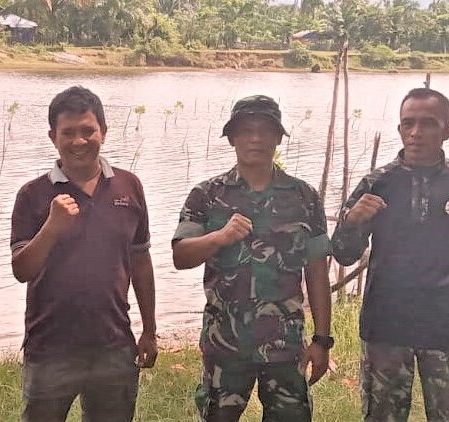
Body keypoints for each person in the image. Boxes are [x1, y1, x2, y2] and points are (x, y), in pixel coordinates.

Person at [172, 95, 333, 421]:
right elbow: (180, 256)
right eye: (246, 130)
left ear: (278, 137)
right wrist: (219, 237)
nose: (255, 138)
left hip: (285, 345)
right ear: (231, 138)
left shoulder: (304, 196)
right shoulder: (207, 194)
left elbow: (316, 270)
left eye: (265, 130)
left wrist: (322, 340)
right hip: (225, 345)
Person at [10, 86, 158, 422]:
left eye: (88, 131)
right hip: (50, 347)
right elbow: (22, 270)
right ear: (53, 136)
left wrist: (148, 329)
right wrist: (52, 226)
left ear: (103, 132)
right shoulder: (33, 195)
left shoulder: (129, 186)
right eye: (68, 133)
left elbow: (140, 261)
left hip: (114, 343)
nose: (79, 141)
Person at [332, 88, 449, 422]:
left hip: (444, 324)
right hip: (386, 323)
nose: (416, 132)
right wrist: (352, 221)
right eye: (408, 123)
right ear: (399, 129)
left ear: (447, 129)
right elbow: (342, 254)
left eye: (428, 123)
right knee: (382, 416)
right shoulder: (377, 183)